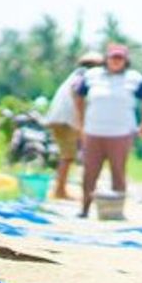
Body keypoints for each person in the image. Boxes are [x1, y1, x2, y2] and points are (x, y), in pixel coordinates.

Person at [72, 43, 142, 218]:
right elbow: (78, 94)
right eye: (113, 57)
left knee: (118, 171)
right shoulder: (92, 75)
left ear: (126, 61)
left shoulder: (134, 78)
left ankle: (116, 211)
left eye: (120, 58)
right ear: (106, 59)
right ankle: (85, 209)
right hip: (93, 131)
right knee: (90, 172)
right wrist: (80, 120)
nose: (116, 61)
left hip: (121, 133)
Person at [43, 51, 104, 199]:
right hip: (67, 119)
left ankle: (61, 188)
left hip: (61, 118)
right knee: (67, 156)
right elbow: (77, 95)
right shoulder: (84, 76)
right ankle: (60, 190)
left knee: (67, 154)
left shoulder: (77, 75)